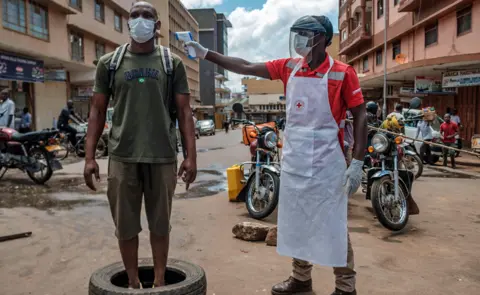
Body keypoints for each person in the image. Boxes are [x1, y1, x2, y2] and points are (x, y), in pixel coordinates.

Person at [186, 15, 367, 295]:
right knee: (296, 222)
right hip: (294, 161)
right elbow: (245, 65)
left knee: (333, 226)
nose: (298, 40)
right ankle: (301, 279)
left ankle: (346, 287)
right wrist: (206, 54)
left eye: (303, 33)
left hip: (327, 164)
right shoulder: (288, 68)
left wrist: (356, 163)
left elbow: (360, 115)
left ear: (320, 38)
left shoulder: (343, 72)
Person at [83, 1, 197, 289]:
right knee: (125, 226)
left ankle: (160, 281)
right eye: (135, 15)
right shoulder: (110, 63)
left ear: (157, 26)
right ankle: (133, 282)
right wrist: (89, 157)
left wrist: (190, 157)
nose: (141, 20)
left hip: (162, 156)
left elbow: (185, 113)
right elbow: (96, 111)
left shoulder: (172, 64)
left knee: (160, 226)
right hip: (123, 156)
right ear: (128, 23)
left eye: (148, 16)